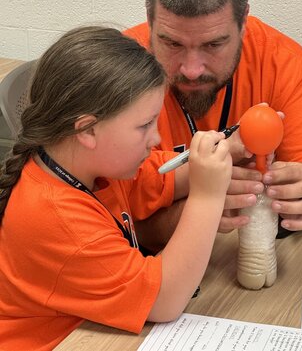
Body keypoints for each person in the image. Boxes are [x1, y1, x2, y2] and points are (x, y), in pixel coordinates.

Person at [0, 26, 234, 350]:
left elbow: (163, 175)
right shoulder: (58, 219)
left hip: (93, 333)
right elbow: (165, 299)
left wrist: (231, 149)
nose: (155, 138)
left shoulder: (95, 167)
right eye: (144, 125)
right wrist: (209, 196)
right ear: (88, 131)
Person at [126, 0, 302, 248]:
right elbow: (110, 218)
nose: (191, 69)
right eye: (172, 44)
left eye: (213, 45)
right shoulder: (116, 72)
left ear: (243, 22)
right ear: (150, 21)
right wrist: (198, 214)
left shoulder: (286, 64)